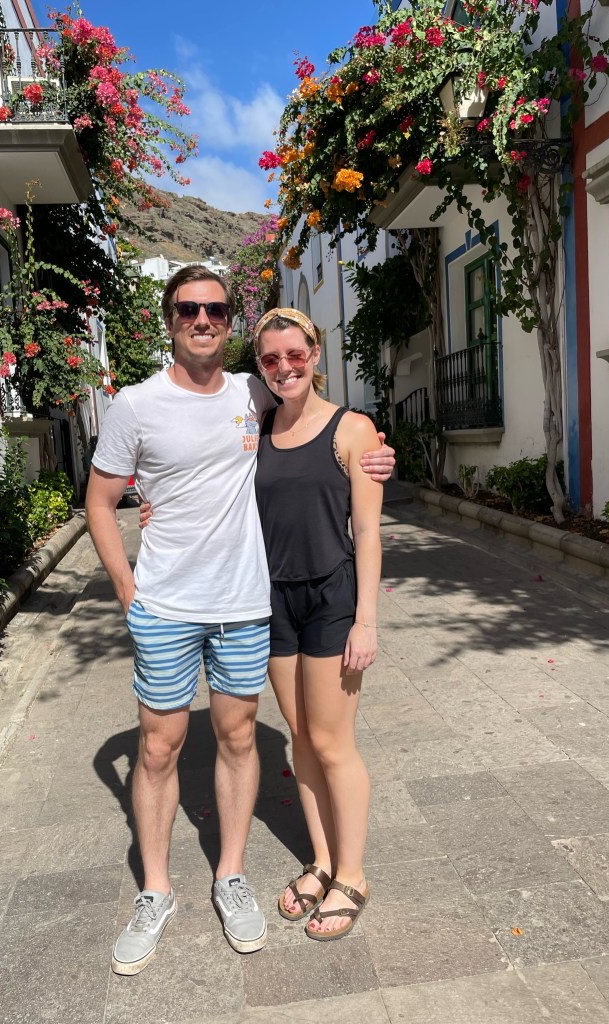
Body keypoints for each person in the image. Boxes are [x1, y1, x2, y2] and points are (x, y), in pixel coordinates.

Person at [85, 266, 393, 975]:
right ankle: (158, 891)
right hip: (180, 605)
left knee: (249, 737)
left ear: (230, 322)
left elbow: (340, 460)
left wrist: (375, 456)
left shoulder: (254, 394)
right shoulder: (142, 403)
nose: (203, 319)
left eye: (217, 310)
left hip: (251, 605)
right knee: (162, 747)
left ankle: (249, 875)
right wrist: (128, 590)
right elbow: (102, 500)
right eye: (188, 309)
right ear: (169, 319)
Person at [252, 308, 381, 940]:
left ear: (315, 354)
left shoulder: (352, 429)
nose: (285, 368)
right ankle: (322, 861)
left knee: (333, 742)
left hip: (333, 596)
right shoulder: (257, 428)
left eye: (294, 354)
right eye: (271, 359)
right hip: (273, 599)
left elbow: (369, 533)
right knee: (300, 737)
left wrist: (367, 621)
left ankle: (352, 875)